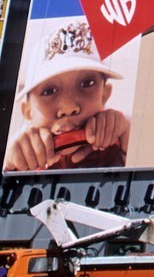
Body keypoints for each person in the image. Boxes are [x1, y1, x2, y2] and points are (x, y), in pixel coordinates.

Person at [5, 19, 128, 172]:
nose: (68, 107)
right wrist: (7, 165)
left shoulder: (120, 143)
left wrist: (128, 134)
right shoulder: (17, 163)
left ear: (104, 95)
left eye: (87, 84)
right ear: (27, 111)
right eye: (48, 91)